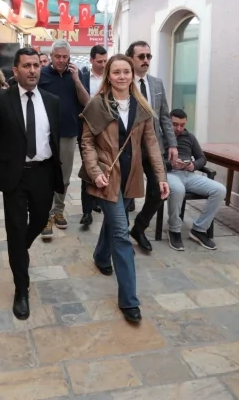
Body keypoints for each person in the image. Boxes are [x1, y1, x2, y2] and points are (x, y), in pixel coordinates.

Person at [0, 48, 64, 320]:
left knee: (38, 221)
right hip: (14, 176)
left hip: (44, 173)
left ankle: (19, 250)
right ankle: (21, 289)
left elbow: (55, 140)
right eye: (27, 66)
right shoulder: (2, 98)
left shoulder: (52, 101)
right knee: (15, 229)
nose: (33, 70)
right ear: (16, 70)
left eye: (36, 65)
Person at [79, 54, 168, 323]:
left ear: (132, 75)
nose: (122, 76)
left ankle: (100, 256)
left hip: (130, 176)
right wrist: (95, 172)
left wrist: (161, 176)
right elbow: (87, 143)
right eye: (116, 72)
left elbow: (152, 144)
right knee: (120, 231)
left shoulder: (141, 106)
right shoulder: (97, 105)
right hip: (107, 175)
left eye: (126, 72)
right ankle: (129, 300)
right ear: (108, 75)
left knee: (114, 220)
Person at [123, 41, 178, 250]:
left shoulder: (156, 84)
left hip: (155, 148)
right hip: (131, 149)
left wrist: (172, 144)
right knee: (126, 194)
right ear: (131, 59)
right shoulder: (124, 82)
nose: (146, 60)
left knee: (159, 191)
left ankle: (139, 228)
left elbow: (164, 116)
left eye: (149, 56)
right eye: (141, 56)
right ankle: (120, 237)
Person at [37, 39, 90, 238]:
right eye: (57, 56)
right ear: (50, 57)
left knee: (64, 177)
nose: (61, 60)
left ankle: (58, 210)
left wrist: (76, 79)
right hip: (45, 134)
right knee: (45, 176)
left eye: (65, 57)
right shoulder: (42, 75)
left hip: (69, 133)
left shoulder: (76, 75)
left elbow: (87, 103)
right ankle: (45, 216)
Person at [164, 109, 226, 251]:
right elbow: (152, 162)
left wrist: (193, 165)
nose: (179, 128)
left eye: (182, 125)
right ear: (168, 122)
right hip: (170, 173)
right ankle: (174, 229)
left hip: (188, 174)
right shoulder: (161, 136)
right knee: (178, 189)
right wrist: (170, 164)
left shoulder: (189, 137)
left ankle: (199, 229)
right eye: (175, 124)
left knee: (220, 189)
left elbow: (202, 158)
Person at [77, 45, 108, 226]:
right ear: (91, 60)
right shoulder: (82, 78)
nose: (102, 65)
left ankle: (98, 200)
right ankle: (86, 211)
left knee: (103, 167)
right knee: (88, 168)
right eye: (99, 61)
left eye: (105, 61)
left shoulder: (111, 78)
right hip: (87, 131)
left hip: (107, 133)